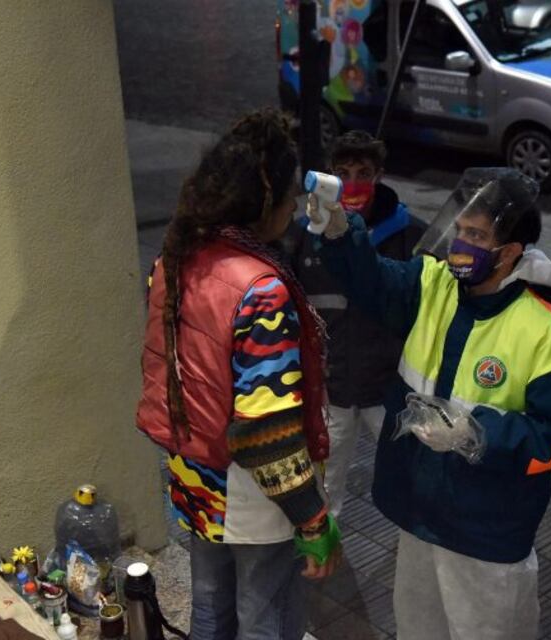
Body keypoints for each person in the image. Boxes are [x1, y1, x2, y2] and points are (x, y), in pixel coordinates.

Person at [306, 167, 551, 639]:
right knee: (419, 627)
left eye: (476, 235)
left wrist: (479, 433)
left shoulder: (542, 329)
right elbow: (375, 282)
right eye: (459, 228)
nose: (460, 243)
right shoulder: (434, 284)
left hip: (486, 531)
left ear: (511, 252)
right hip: (421, 512)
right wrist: (340, 233)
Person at [135, 109, 342, 640]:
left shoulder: (176, 257)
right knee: (265, 615)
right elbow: (263, 432)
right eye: (290, 194)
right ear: (262, 201)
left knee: (210, 606)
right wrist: (311, 515)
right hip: (253, 491)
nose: (296, 206)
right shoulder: (262, 291)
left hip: (193, 470)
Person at [285, 130, 424, 518]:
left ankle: (420, 545)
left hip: (391, 388)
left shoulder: (409, 234)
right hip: (332, 388)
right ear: (330, 174)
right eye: (343, 172)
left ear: (379, 175)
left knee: (411, 473)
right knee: (324, 483)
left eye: (364, 171)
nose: (353, 182)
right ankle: (323, 549)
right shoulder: (302, 235)